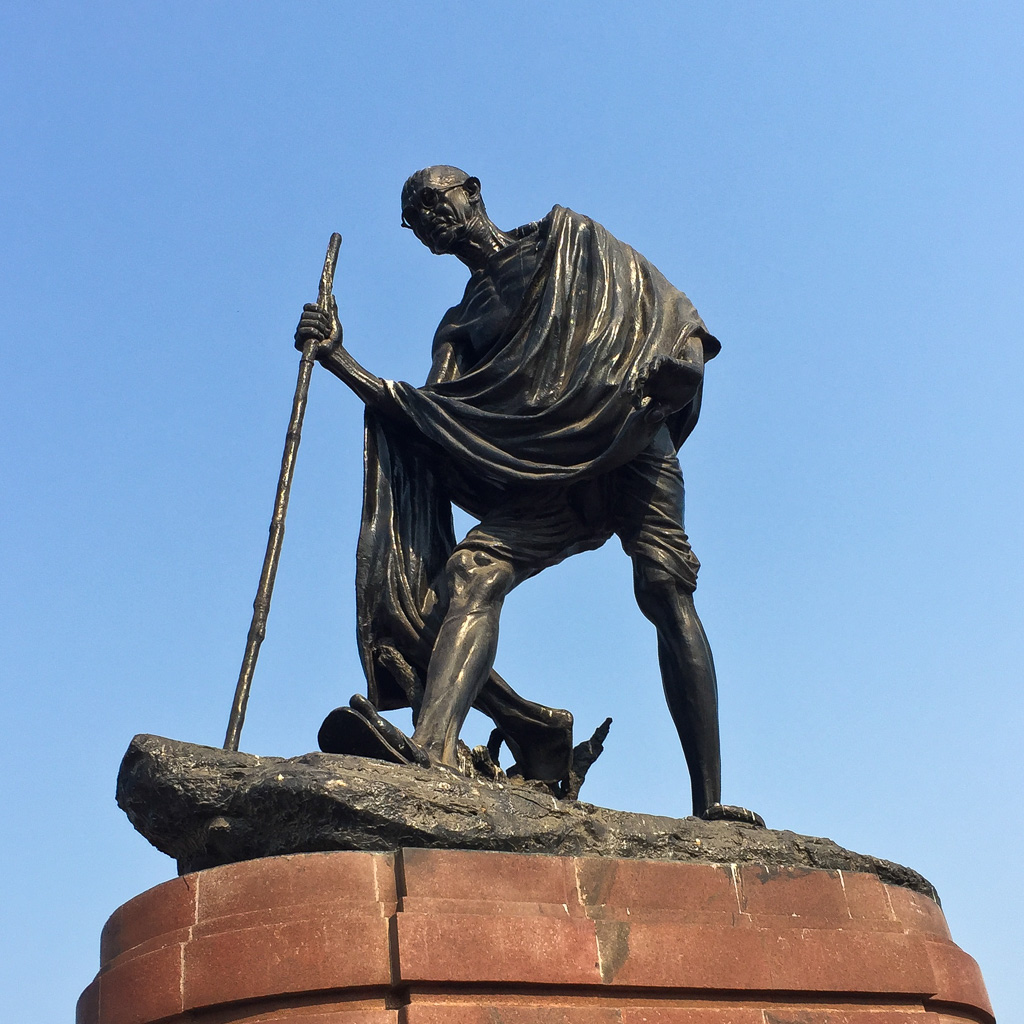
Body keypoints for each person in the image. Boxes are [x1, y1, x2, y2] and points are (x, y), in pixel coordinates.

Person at [296, 166, 758, 823]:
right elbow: (434, 414)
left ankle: (709, 803)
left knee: (664, 591)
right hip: (548, 474)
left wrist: (683, 367)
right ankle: (432, 751)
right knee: (471, 572)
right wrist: (340, 360)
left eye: (434, 199)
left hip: (631, 441)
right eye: (415, 217)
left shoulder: (571, 242)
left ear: (473, 192)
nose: (429, 217)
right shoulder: (461, 324)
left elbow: (672, 319)